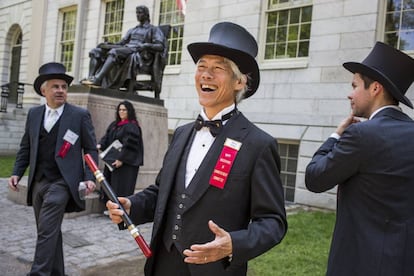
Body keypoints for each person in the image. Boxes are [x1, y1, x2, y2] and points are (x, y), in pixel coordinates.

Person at [106, 22, 287, 276]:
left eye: (218, 68)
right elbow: (164, 191)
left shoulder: (258, 144)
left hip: (215, 270)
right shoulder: (181, 133)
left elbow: (273, 222)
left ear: (239, 82)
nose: (206, 74)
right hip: (163, 264)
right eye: (201, 66)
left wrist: (233, 245)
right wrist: (132, 206)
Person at [305, 41, 414, 276]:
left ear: (375, 88)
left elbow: (314, 178)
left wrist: (336, 135)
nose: (349, 93)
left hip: (360, 263)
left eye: (355, 85)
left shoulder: (361, 135)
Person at [8, 62, 98, 276]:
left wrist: (89, 177)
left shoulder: (79, 115)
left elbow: (90, 149)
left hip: (63, 182)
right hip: (38, 181)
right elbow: (25, 147)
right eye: (56, 86)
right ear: (44, 90)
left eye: (64, 87)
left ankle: (38, 273)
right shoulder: (34, 114)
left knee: (47, 231)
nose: (60, 90)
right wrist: (17, 172)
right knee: (49, 231)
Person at [82, 5, 166, 88]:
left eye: (140, 13)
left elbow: (160, 46)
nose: (137, 15)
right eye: (137, 13)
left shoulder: (153, 29)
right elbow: (121, 43)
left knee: (114, 52)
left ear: (146, 15)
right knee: (96, 51)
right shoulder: (133, 30)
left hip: (139, 52)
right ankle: (90, 79)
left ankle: (98, 79)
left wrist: (146, 45)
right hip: (126, 49)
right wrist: (108, 44)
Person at [98, 100, 144, 211]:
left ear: (129, 111)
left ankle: (120, 208)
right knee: (110, 184)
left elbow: (130, 144)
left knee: (121, 186)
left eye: (124, 110)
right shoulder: (115, 125)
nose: (121, 112)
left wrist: (121, 159)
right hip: (112, 161)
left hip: (126, 164)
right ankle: (110, 207)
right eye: (120, 110)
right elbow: (107, 137)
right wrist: (100, 145)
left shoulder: (132, 126)